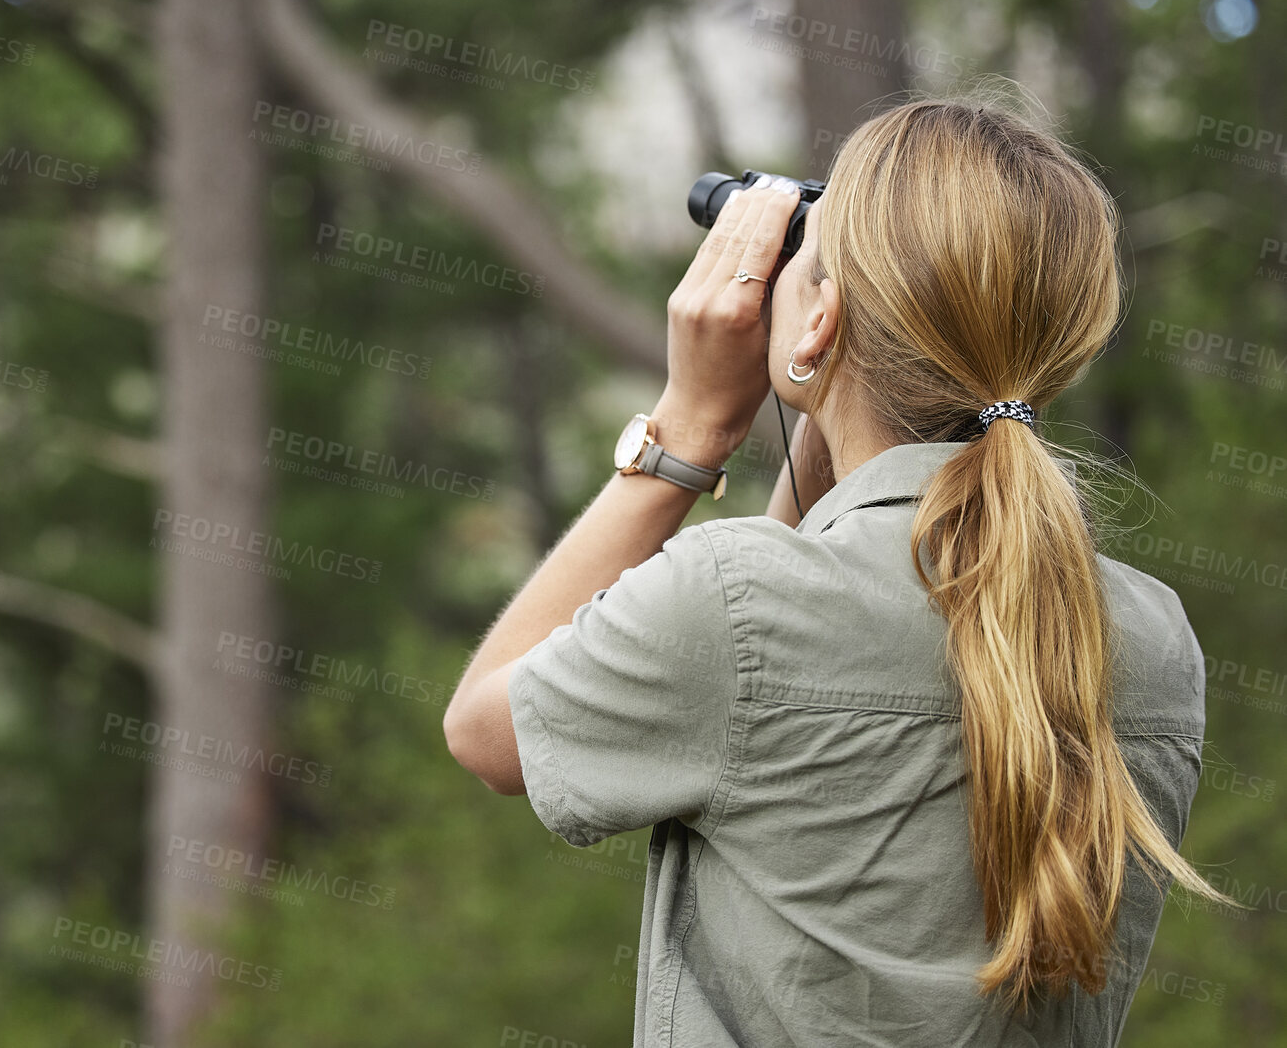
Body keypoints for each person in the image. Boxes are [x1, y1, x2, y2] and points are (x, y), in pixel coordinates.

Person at [442, 95, 1235, 1046]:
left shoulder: (736, 606)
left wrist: (691, 429)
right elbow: (827, 582)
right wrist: (824, 395)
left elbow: (486, 731)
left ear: (818, 318)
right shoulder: (1148, 638)